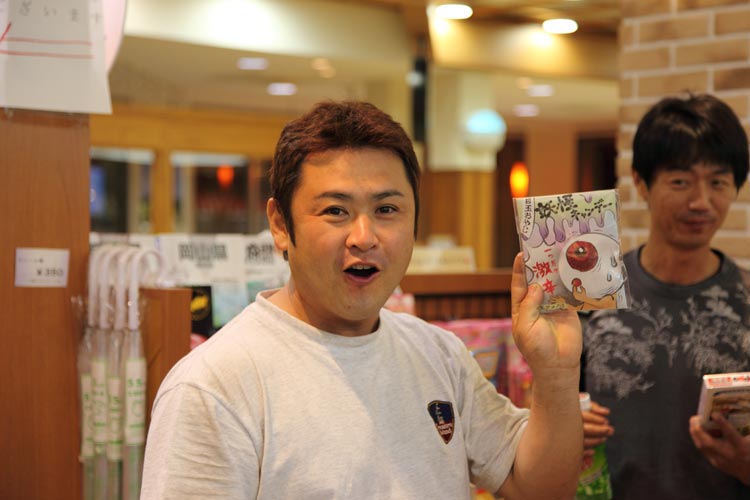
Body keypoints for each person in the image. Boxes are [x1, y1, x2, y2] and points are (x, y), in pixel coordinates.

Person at [140, 100, 584, 499]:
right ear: (280, 225)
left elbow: (537, 486)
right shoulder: (212, 386)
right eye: (335, 210)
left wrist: (557, 374)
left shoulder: (440, 355)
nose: (364, 237)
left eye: (386, 210)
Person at [582, 93, 750, 499]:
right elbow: (546, 412)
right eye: (680, 181)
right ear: (640, 182)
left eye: (718, 182)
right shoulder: (593, 293)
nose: (701, 202)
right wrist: (560, 421)